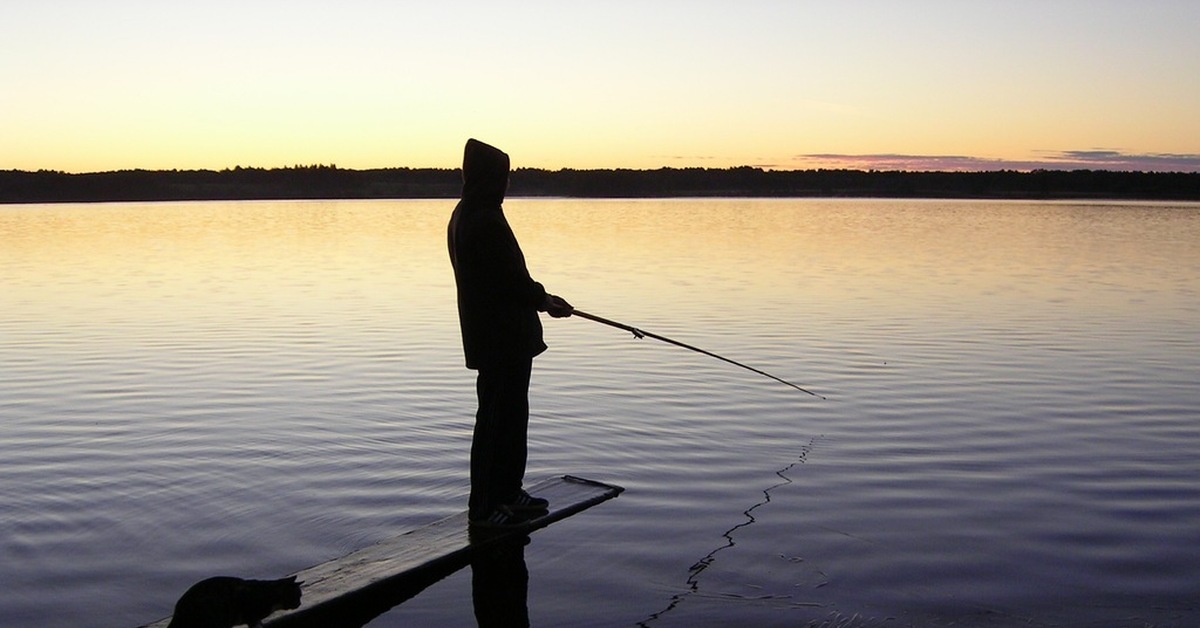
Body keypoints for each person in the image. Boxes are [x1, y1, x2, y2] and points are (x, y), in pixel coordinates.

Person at [448, 138, 573, 528]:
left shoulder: (471, 213)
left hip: (505, 339)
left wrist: (540, 299)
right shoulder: (482, 219)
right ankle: (485, 506)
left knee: (511, 417)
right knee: (496, 423)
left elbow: (507, 279)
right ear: (488, 178)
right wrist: (545, 299)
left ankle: (508, 492)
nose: (507, 184)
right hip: (498, 340)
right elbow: (510, 280)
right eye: (502, 176)